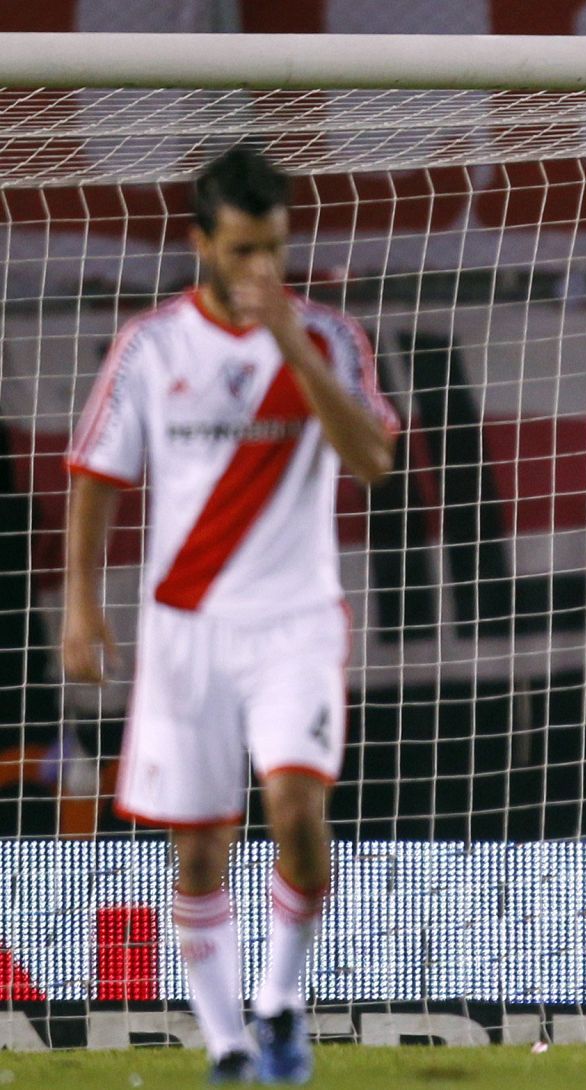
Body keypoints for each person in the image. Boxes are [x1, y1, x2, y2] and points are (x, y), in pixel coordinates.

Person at [61, 146, 398, 1084]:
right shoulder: (152, 346)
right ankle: (229, 1046)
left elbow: (373, 460)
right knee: (200, 848)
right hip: (186, 629)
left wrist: (288, 341)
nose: (262, 270)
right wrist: (82, 606)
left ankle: (282, 1002)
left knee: (297, 815)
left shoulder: (328, 338)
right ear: (201, 241)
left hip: (295, 620)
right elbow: (96, 479)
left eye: (277, 250)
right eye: (245, 250)